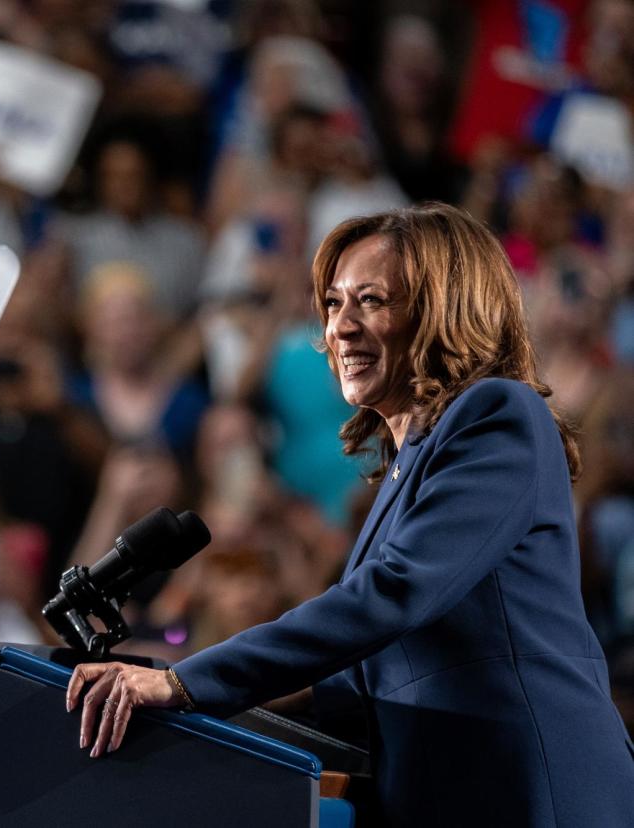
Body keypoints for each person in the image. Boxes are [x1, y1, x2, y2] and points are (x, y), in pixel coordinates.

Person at [64, 203, 634, 827]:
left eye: (371, 300)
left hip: (527, 782)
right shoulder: (406, 459)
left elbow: (392, 595)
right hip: (444, 788)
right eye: (334, 304)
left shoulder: (497, 415)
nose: (341, 327)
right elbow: (361, 673)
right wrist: (192, 705)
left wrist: (185, 683)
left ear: (444, 307)